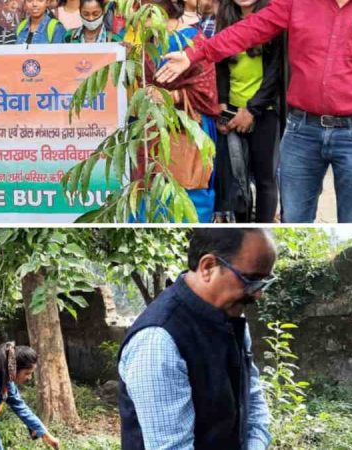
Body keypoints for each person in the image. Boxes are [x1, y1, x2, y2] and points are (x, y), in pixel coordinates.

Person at [156, 0, 352, 223]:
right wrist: (194, 54)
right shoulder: (297, 2)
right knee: (294, 217)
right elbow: (250, 29)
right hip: (303, 130)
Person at [118, 229, 275, 449]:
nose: (257, 293)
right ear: (208, 267)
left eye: (263, 281)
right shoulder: (158, 341)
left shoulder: (231, 318)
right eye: (250, 279)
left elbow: (252, 399)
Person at [132, 0, 220, 223]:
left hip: (188, 128)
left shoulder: (194, 40)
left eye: (147, 15)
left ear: (162, 11)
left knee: (188, 188)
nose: (142, 21)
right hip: (151, 127)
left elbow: (206, 89)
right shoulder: (149, 42)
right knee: (149, 188)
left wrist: (173, 97)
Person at [212, 0, 283, 223]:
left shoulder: (273, 18)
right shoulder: (225, 20)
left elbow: (276, 72)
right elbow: (220, 64)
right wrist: (222, 105)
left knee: (265, 179)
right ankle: (242, 226)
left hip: (264, 111)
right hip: (231, 112)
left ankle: (262, 226)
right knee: (235, 178)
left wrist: (252, 109)